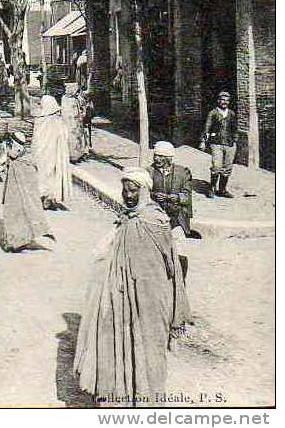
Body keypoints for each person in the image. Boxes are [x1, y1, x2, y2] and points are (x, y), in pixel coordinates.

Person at [74, 167, 191, 406]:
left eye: (133, 191)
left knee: (148, 351)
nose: (127, 195)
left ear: (145, 191)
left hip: (150, 301)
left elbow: (168, 265)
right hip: (124, 296)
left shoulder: (155, 220)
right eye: (125, 190)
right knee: (121, 344)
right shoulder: (127, 218)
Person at [1, 131, 54, 252]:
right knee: (21, 210)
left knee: (14, 210)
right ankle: (20, 239)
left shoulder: (18, 155)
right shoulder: (28, 159)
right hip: (18, 185)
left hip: (15, 187)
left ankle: (16, 241)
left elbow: (12, 155)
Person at [147, 141, 193, 280]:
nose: (157, 159)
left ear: (169, 158)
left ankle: (181, 282)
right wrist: (154, 196)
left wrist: (169, 198)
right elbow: (143, 194)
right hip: (156, 218)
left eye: (161, 156)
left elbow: (186, 198)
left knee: (180, 251)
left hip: (176, 219)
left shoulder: (182, 173)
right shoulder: (148, 172)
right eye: (156, 155)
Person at [33, 95, 71, 210]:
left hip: (42, 152)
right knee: (53, 173)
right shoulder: (57, 121)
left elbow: (35, 139)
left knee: (43, 173)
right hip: (54, 152)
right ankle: (50, 196)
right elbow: (65, 135)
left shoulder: (39, 120)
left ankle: (46, 196)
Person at [200, 91, 238, 198]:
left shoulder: (231, 113)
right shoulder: (213, 113)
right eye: (222, 100)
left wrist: (235, 140)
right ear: (218, 101)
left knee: (227, 168)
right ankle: (212, 188)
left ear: (229, 102)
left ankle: (222, 190)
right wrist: (203, 141)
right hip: (216, 143)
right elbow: (207, 128)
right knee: (216, 166)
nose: (224, 102)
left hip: (229, 144)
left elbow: (234, 128)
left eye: (227, 100)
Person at [61, 83, 88, 162]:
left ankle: (79, 154)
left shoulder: (77, 98)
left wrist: (83, 113)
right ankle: (71, 155)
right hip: (68, 122)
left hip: (77, 121)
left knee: (79, 137)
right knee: (70, 138)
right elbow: (64, 111)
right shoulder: (65, 98)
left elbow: (83, 107)